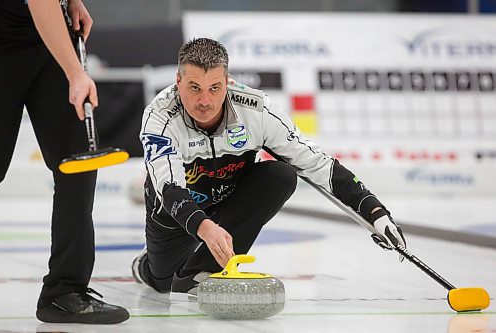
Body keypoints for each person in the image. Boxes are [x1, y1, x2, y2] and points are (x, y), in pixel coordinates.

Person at [132, 38, 407, 296]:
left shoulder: (257, 110)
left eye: (214, 88)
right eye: (194, 88)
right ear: (178, 81)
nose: (205, 101)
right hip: (175, 210)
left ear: (226, 83)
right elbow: (170, 188)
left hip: (228, 200)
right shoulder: (160, 117)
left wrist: (374, 210)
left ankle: (202, 272)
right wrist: (204, 226)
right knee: (163, 282)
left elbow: (317, 163)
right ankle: (147, 265)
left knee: (281, 175)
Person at [0, 0, 129, 324]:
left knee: (78, 162)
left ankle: (65, 291)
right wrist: (75, 72)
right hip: (2, 36)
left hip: (52, 39)